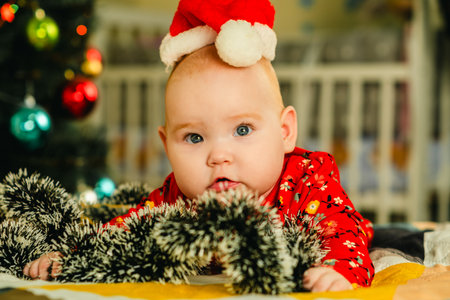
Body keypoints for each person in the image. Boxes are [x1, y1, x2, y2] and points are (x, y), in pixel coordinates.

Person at [24, 0, 374, 292]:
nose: (218, 156)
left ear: (285, 131)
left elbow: (341, 231)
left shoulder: (306, 179)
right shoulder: (176, 197)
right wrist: (70, 254)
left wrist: (338, 271)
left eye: (242, 129)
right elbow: (124, 232)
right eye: (194, 137)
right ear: (167, 145)